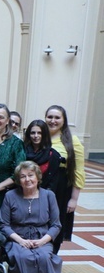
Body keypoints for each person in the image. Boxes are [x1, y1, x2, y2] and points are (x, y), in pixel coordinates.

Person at [0, 161, 63, 273]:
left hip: (42, 237)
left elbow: (56, 225)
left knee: (43, 258)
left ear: (38, 177)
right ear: (18, 180)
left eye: (30, 175)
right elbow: (3, 224)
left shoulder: (49, 195)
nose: (27, 179)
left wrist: (42, 241)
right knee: (24, 258)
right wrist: (21, 240)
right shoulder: (10, 196)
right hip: (17, 238)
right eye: (23, 176)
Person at [45, 105, 85, 254]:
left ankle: (51, 258)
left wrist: (74, 199)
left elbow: (78, 170)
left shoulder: (72, 141)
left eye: (57, 117)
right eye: (50, 117)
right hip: (41, 186)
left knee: (56, 223)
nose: (53, 121)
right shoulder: (40, 136)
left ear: (64, 120)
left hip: (61, 189)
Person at [24, 120, 61, 190]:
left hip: (44, 194)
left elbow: (53, 182)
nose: (36, 136)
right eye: (32, 133)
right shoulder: (21, 151)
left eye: (39, 133)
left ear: (44, 134)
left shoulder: (53, 155)